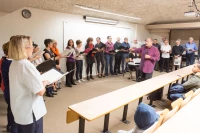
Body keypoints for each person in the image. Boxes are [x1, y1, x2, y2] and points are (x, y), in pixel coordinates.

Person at [8, 35, 48, 133]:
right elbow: (40, 92)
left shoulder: (15, 63)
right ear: (23, 48)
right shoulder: (26, 65)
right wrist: (45, 83)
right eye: (31, 45)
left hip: (20, 110)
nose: (33, 48)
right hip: (31, 112)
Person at [0, 42, 18, 132]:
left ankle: (9, 126)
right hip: (12, 91)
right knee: (15, 115)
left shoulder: (5, 60)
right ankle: (12, 128)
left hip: (9, 91)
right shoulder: (10, 63)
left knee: (11, 110)